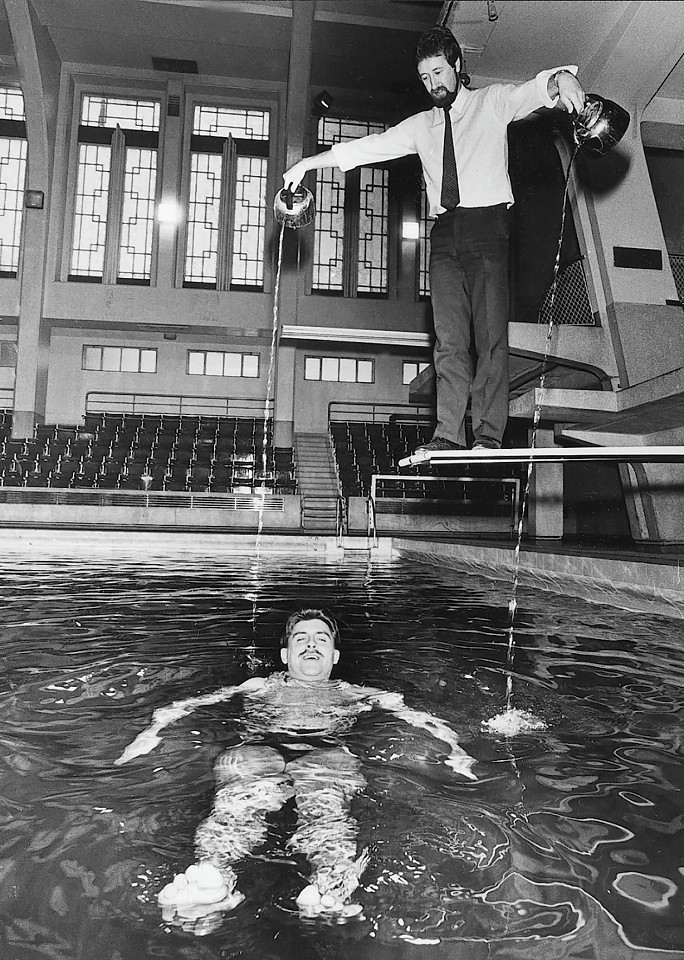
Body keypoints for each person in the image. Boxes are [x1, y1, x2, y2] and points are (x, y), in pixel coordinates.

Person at [283, 26, 586, 455]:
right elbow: (372, 146)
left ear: (457, 66)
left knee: (490, 338)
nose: (433, 84)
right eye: (425, 78)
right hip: (444, 237)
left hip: (489, 230)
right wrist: (308, 164)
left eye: (439, 73)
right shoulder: (421, 126)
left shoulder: (490, 102)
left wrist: (563, 79)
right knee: (448, 342)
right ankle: (447, 434)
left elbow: (535, 90)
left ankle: (486, 436)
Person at [115, 608, 476, 931]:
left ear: (334, 656)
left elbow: (418, 716)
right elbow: (188, 704)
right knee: (245, 778)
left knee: (326, 788)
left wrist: (455, 750)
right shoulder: (260, 685)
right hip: (262, 748)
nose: (311, 645)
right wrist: (150, 735)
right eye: (301, 639)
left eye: (321, 639)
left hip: (325, 754)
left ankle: (331, 883)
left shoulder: (354, 692)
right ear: (286, 655)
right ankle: (212, 877)